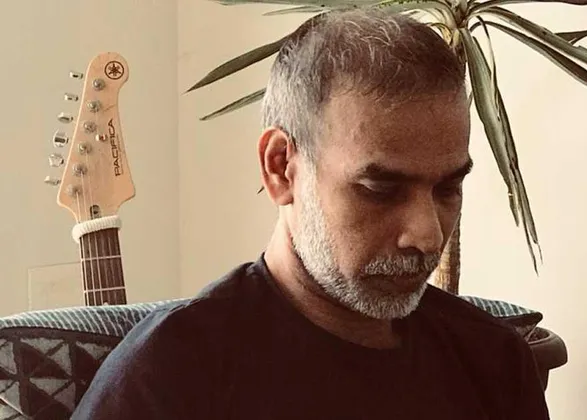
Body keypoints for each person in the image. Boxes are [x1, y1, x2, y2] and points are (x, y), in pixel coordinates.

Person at [72, 9, 550, 420]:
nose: (426, 236)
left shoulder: (494, 360)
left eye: (448, 188)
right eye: (381, 190)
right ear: (281, 168)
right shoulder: (168, 376)